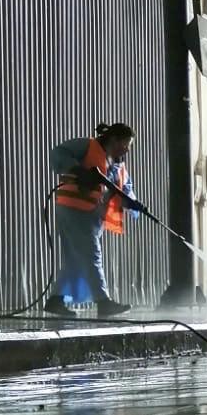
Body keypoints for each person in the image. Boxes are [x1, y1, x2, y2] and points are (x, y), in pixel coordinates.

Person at [45, 122, 141, 317]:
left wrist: (135, 204)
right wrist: (79, 171)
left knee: (76, 260)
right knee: (92, 255)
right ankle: (104, 303)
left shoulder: (116, 165)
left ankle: (55, 300)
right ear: (114, 139)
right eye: (126, 144)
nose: (127, 149)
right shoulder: (88, 146)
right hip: (74, 209)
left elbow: (124, 190)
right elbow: (58, 153)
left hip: (90, 215)